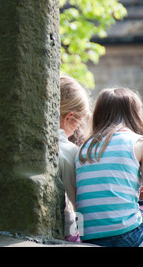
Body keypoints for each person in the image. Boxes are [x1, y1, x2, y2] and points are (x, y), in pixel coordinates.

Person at [75, 87, 143, 247]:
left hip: (88, 235)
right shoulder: (141, 145)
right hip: (128, 235)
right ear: (135, 115)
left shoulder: (84, 148)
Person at [58, 75, 91, 243]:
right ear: (69, 117)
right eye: (78, 123)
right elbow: (76, 205)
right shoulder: (69, 151)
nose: (78, 128)